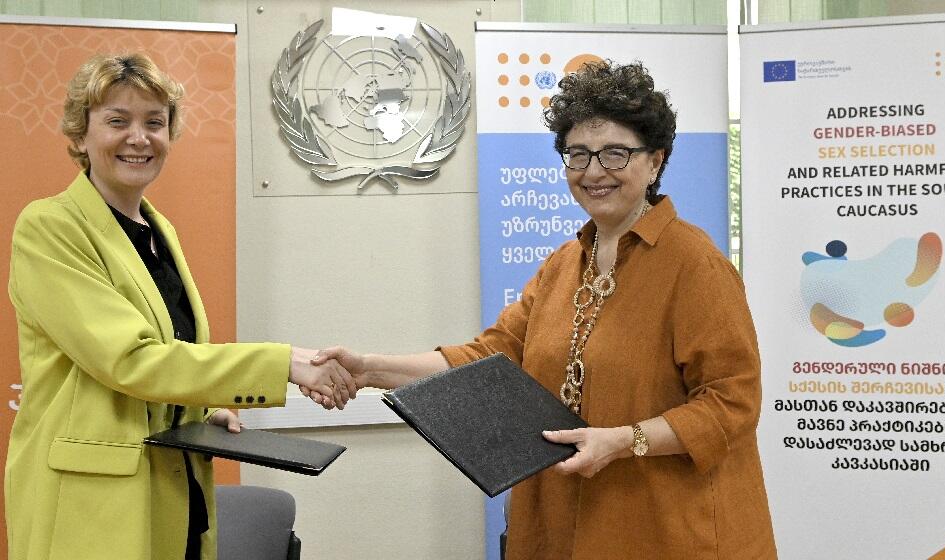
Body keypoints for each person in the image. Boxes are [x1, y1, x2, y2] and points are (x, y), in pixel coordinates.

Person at [311, 61, 777, 559]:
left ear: (656, 161)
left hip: (661, 528)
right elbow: (489, 360)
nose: (593, 172)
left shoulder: (695, 265)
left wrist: (622, 440)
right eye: (578, 154)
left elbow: (732, 404)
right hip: (560, 522)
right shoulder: (563, 264)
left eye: (616, 154)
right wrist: (369, 369)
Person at [4, 53, 355, 560]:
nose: (139, 137)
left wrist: (199, 408)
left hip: (174, 486)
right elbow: (131, 360)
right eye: (117, 121)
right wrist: (286, 364)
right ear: (81, 136)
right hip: (91, 504)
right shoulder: (49, 227)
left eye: (155, 122)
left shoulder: (158, 229)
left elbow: (172, 353)